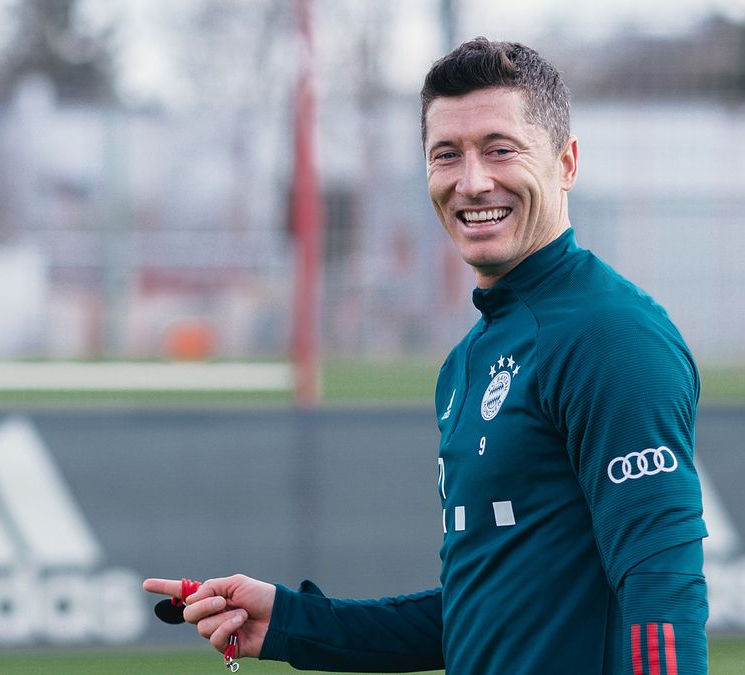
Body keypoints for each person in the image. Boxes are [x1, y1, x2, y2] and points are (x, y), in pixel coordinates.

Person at [145, 37, 709, 674]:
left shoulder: (611, 336)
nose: (473, 182)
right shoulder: (469, 359)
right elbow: (483, 611)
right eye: (447, 155)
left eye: (500, 149)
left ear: (566, 164)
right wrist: (290, 621)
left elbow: (663, 586)